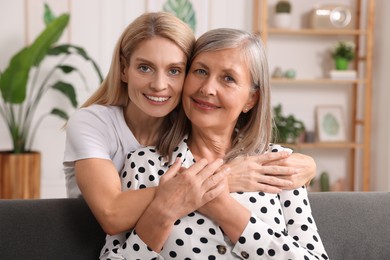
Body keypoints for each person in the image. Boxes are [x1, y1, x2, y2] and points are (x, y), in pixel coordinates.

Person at [63, 12, 316, 236]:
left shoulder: (186, 123)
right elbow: (111, 214)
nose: (159, 85)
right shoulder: (94, 123)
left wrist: (307, 165)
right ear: (123, 69)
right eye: (144, 68)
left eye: (174, 70)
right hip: (90, 241)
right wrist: (222, 179)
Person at [100, 28, 328, 259]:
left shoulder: (276, 164)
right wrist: (164, 211)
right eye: (200, 71)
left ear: (251, 99)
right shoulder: (144, 164)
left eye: (228, 78)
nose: (207, 89)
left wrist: (224, 209)